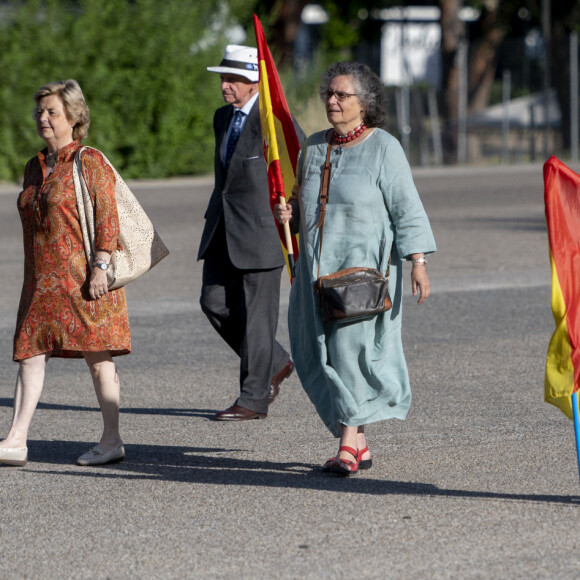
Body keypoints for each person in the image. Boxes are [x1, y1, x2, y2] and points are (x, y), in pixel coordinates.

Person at [274, 62, 436, 476]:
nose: (331, 100)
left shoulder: (385, 147)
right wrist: (288, 211)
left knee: (348, 355)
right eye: (328, 93)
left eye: (341, 95)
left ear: (364, 104)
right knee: (315, 354)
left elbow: (407, 209)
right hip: (313, 276)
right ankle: (359, 444)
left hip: (360, 278)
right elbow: (305, 202)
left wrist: (417, 261)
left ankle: (346, 447)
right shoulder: (312, 147)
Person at [0, 79, 130, 467]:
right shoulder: (34, 166)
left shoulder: (89, 161)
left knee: (99, 359)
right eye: (40, 111)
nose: (43, 118)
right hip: (41, 283)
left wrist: (101, 266)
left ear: (73, 117)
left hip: (86, 280)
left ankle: (111, 440)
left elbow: (109, 216)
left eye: (52, 111)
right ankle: (16, 440)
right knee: (30, 355)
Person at [199, 45, 304, 421]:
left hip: (262, 233)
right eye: (223, 79)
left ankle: (253, 398)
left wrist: (293, 210)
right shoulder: (221, 117)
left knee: (258, 318)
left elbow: (298, 159)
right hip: (222, 230)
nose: (225, 86)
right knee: (213, 302)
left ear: (255, 81)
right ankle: (274, 360)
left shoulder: (273, 120)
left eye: (233, 79)